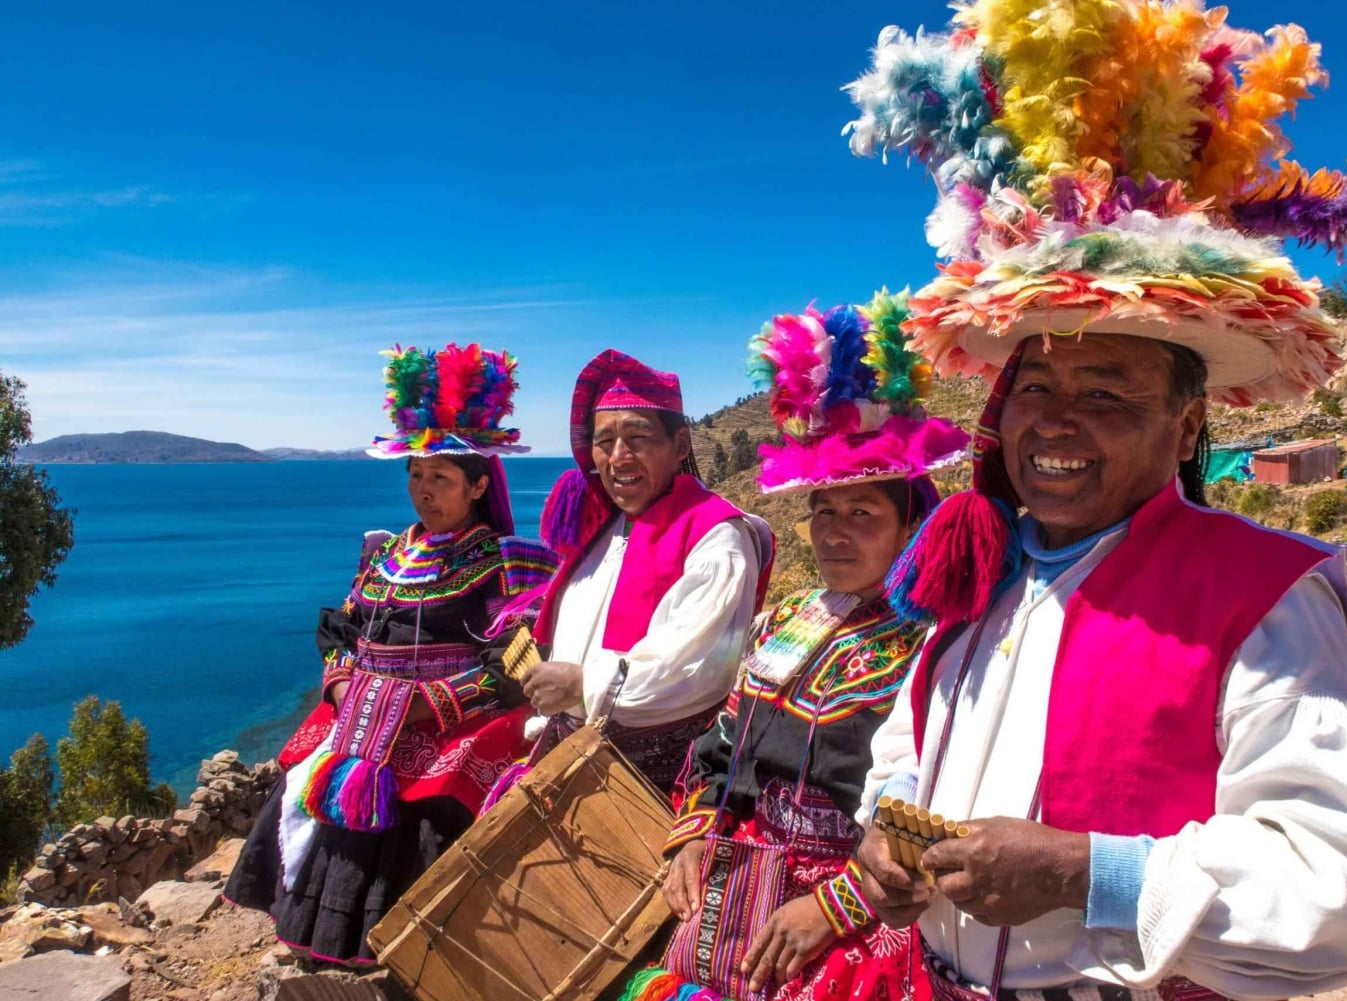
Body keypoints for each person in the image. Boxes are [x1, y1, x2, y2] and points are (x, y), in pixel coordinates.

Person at [841, 4, 1347, 999]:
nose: (1057, 423)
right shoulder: (980, 565)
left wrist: (1091, 871)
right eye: (1037, 388)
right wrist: (893, 816)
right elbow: (911, 737)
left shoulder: (1262, 594)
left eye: (1106, 392)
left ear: (1186, 426)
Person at [621, 291, 967, 1001]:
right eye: (823, 511)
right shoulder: (782, 623)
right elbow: (720, 744)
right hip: (738, 881)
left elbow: (938, 797)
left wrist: (835, 906)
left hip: (856, 913)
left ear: (910, 525)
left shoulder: (935, 644)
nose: (837, 531)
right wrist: (690, 835)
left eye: (863, 512)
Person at [224, 343, 559, 965]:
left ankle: (416, 953)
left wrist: (424, 708)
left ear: (478, 485)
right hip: (361, 710)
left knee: (427, 806)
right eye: (415, 475)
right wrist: (339, 686)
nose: (423, 491)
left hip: (447, 720)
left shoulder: (508, 561)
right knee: (305, 776)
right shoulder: (386, 554)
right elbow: (342, 631)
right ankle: (317, 939)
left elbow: (520, 660)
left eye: (441, 478)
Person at [518, 349, 773, 793]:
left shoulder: (717, 539)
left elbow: (697, 669)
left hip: (649, 790)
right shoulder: (605, 527)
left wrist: (582, 683)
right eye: (604, 441)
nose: (619, 457)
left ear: (679, 446)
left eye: (637, 437)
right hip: (569, 759)